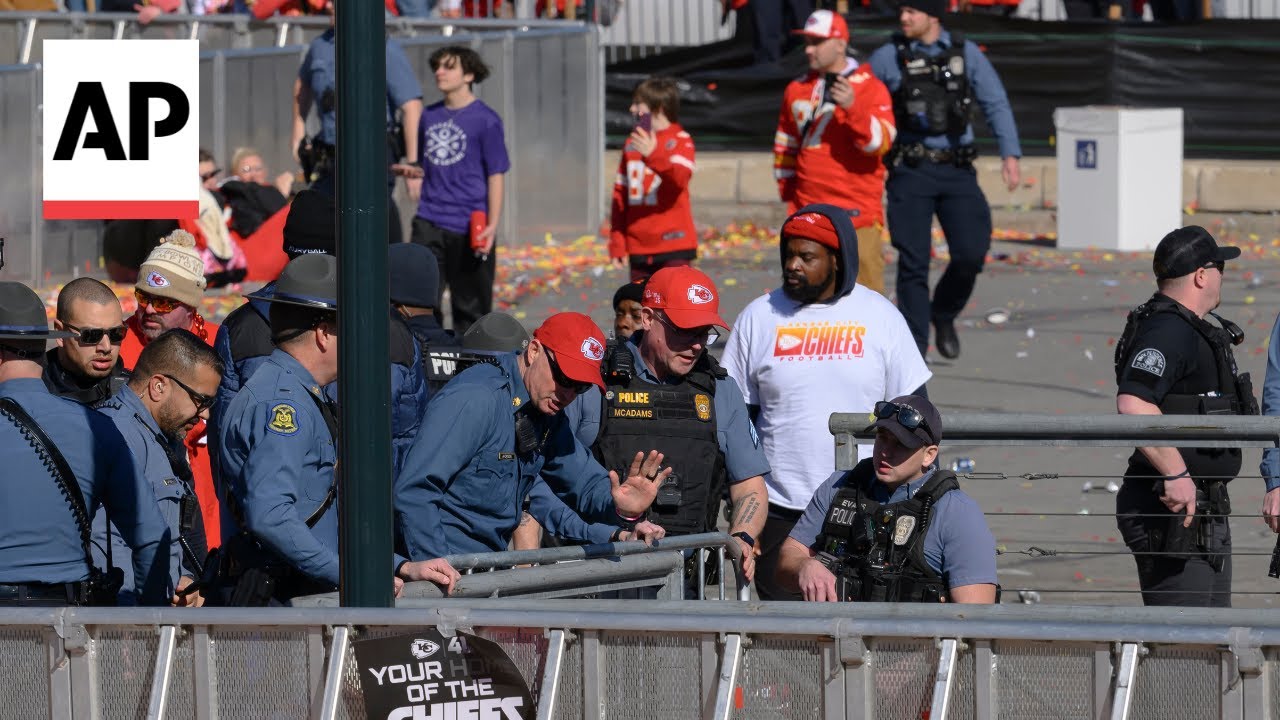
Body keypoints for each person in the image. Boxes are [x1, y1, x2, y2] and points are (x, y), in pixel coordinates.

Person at [217, 255, 457, 605]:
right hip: (282, 602)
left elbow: (320, 521)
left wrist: (398, 566)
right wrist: (352, 576)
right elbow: (271, 517)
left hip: (298, 594)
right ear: (324, 334)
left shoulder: (298, 393)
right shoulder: (284, 407)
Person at [721, 205, 931, 600]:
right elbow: (736, 419)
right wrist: (744, 512)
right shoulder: (759, 317)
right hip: (779, 507)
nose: (793, 265)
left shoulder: (880, 316)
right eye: (788, 255)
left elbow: (918, 415)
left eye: (806, 257)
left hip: (866, 506)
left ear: (837, 260)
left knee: (857, 625)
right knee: (782, 630)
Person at [547, 267, 771, 583]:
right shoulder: (594, 380)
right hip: (592, 580)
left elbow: (750, 486)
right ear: (648, 318)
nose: (697, 345)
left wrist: (743, 536)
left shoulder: (720, 390)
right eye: (685, 330)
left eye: (703, 333)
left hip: (686, 586)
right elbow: (543, 479)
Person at [395, 312, 664, 559]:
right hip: (442, 569)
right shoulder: (477, 398)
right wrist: (436, 563)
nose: (568, 394)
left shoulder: (545, 412)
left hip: (482, 569)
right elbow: (416, 489)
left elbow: (583, 482)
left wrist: (622, 507)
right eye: (564, 378)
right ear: (534, 351)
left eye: (581, 387)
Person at [0, 281, 171, 606]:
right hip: (67, 618)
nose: (105, 346)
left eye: (115, 334)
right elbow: (151, 537)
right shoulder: (97, 427)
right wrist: (150, 619)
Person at [868, 0, 1021, 359]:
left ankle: (944, 312)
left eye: (912, 11)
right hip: (910, 170)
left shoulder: (965, 53)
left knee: (971, 253)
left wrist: (1010, 154)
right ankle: (914, 349)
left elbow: (995, 102)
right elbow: (863, 100)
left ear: (933, 15)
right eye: (901, 10)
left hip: (956, 169)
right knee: (914, 262)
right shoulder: (889, 56)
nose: (904, 17)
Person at [1114, 226, 1255, 608]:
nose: (1223, 276)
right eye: (1220, 267)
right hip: (1170, 508)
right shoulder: (1168, 331)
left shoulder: (1184, 327)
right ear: (1201, 275)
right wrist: (1176, 474)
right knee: (1183, 639)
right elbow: (1134, 403)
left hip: (1201, 508)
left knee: (1211, 637)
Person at [778, 395, 996, 602]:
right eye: (882, 437)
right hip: (835, 626)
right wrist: (804, 566)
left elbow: (974, 614)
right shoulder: (839, 486)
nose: (885, 452)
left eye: (900, 444)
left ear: (929, 455)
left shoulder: (956, 511)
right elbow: (786, 561)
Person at [93, 330, 221, 607]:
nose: (205, 414)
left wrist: (182, 580)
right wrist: (138, 619)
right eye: (200, 400)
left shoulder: (162, 437)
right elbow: (108, 546)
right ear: (159, 386)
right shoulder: (117, 436)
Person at [773, 10, 896, 295]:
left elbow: (881, 144)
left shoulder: (871, 87)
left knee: (864, 299)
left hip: (857, 214)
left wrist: (853, 108)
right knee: (804, 299)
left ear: (840, 44)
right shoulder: (796, 88)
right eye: (807, 42)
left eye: (818, 42)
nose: (809, 50)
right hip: (807, 210)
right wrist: (790, 197)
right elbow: (785, 144)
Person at [396, 46, 510, 335]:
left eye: (449, 67)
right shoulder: (429, 116)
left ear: (469, 75)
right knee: (419, 303)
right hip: (428, 220)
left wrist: (493, 224)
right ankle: (424, 357)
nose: (439, 72)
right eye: (437, 67)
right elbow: (427, 163)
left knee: (470, 309)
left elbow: (496, 174)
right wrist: (411, 171)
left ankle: (467, 361)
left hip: (469, 223)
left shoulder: (486, 119)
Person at [125, 229, 224, 549]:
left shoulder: (222, 343)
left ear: (190, 307)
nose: (149, 310)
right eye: (143, 297)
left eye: (164, 302)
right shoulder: (116, 344)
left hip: (209, 498)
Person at [291, 1, 422, 242]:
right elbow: (302, 87)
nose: (329, 6)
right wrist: (298, 134)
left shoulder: (382, 46)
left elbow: (411, 106)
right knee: (328, 223)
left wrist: (413, 164)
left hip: (370, 151)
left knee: (371, 220)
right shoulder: (320, 46)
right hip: (329, 153)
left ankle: (386, 262)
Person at [608, 77, 699, 283]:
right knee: (640, 302)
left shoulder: (680, 140)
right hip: (639, 247)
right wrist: (617, 242)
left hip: (674, 245)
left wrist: (653, 155)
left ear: (658, 108)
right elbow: (620, 196)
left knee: (672, 300)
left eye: (638, 103)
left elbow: (679, 180)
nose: (632, 109)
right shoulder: (632, 143)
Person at [44, 278, 130, 406]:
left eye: (116, 333)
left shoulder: (136, 392)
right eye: (91, 335)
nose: (106, 347)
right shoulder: (32, 390)